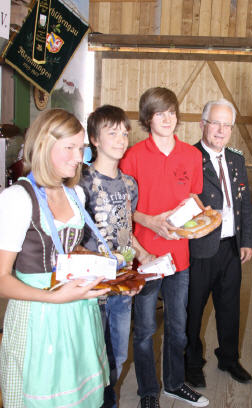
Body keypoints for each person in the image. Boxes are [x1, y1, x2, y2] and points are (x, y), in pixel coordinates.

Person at [0, 109, 110, 407]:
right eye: (69, 148)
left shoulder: (75, 194)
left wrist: (110, 276)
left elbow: (69, 251)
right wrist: (53, 298)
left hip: (77, 312)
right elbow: (2, 280)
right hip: (38, 315)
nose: (78, 158)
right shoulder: (17, 199)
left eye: (81, 148)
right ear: (44, 145)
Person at [119, 87, 209, 408]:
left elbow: (193, 198)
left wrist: (200, 217)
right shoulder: (132, 157)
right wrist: (150, 221)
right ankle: (147, 391)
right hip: (145, 256)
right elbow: (122, 208)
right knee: (144, 330)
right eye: (159, 113)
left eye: (171, 112)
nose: (167, 119)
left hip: (179, 257)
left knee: (178, 328)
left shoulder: (192, 156)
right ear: (148, 119)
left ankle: (174, 383)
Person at [79, 105, 154, 408]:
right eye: (112, 133)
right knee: (91, 358)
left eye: (124, 133)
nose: (121, 140)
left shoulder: (129, 184)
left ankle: (108, 399)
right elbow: (71, 239)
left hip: (122, 287)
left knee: (119, 356)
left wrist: (143, 254)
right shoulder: (81, 181)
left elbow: (125, 230)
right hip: (90, 289)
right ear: (94, 139)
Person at [185, 99, 252, 388]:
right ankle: (191, 363)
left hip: (230, 246)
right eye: (216, 123)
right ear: (203, 124)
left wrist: (247, 240)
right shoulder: (188, 157)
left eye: (227, 125)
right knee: (193, 310)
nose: (221, 130)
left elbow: (244, 203)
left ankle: (229, 358)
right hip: (200, 248)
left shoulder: (236, 159)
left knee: (230, 308)